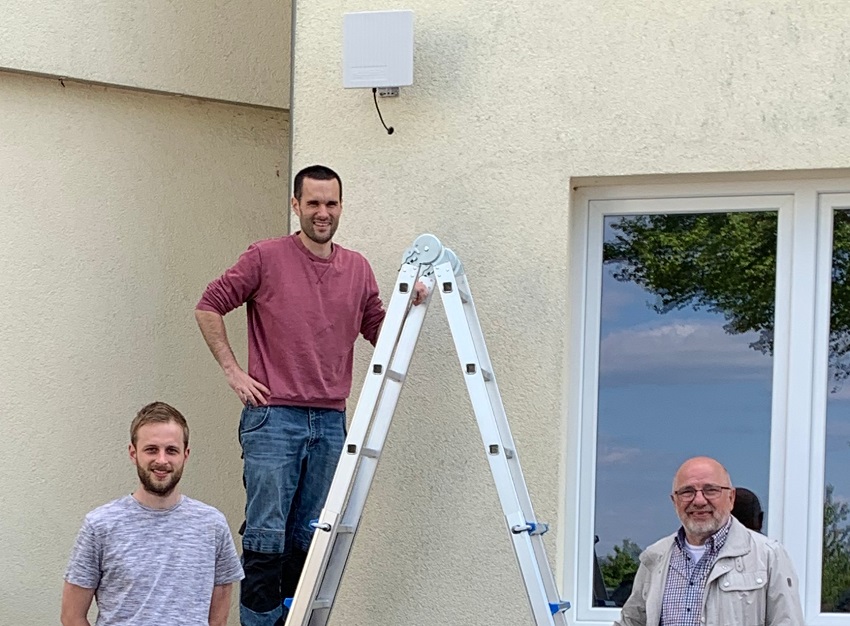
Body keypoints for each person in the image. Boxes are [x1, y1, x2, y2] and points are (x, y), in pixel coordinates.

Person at [194, 164, 427, 626]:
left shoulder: (357, 268)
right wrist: (233, 372)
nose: (323, 212)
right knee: (266, 534)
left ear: (341, 207)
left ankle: (292, 620)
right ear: (296, 205)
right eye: (314, 203)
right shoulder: (265, 256)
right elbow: (208, 306)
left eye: (332, 203)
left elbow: (378, 331)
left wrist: (410, 302)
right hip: (273, 416)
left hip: (330, 421)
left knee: (310, 534)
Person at [61, 402, 244, 626]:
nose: (162, 460)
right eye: (151, 449)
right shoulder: (100, 526)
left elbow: (218, 617)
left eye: (171, 450)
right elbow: (72, 616)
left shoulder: (212, 525)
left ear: (185, 455)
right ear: (133, 453)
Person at [613, 456, 804, 626]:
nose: (699, 500)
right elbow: (632, 621)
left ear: (731, 498)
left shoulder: (768, 556)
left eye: (710, 490)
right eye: (687, 492)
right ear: (674, 501)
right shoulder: (655, 557)